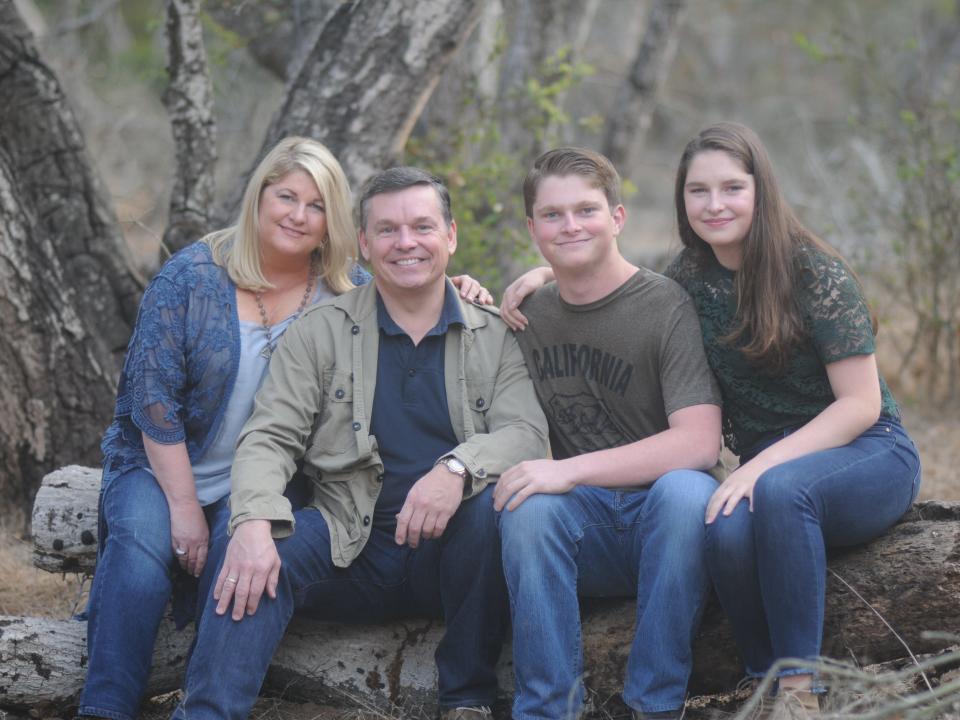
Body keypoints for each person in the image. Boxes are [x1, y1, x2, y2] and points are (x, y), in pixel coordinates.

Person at [79, 138, 490, 720]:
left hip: (267, 481)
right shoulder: (194, 276)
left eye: (316, 205)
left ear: (334, 222)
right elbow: (153, 400)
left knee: (243, 560)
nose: (298, 215)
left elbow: (413, 277)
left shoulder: (343, 287)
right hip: (165, 464)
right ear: (259, 198)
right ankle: (105, 708)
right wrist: (184, 506)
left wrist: (465, 288)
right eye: (286, 197)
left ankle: (200, 707)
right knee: (143, 562)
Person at [170, 166, 549, 720]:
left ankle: (466, 700)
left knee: (491, 514)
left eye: (422, 226)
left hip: (455, 557)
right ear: (365, 244)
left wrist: (456, 469)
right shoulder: (320, 331)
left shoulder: (493, 335)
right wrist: (252, 522)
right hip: (349, 541)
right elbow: (270, 437)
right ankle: (205, 711)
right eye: (388, 230)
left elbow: (527, 435)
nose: (406, 243)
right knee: (251, 550)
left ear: (451, 236)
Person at [663, 122, 921, 714]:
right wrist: (549, 274)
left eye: (732, 187)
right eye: (698, 190)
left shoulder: (812, 272)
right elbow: (622, 289)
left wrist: (760, 467)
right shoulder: (687, 277)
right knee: (723, 527)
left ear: (761, 191)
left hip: (867, 450)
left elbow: (861, 404)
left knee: (777, 490)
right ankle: (761, 682)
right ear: (682, 200)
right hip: (772, 470)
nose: (714, 204)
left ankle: (802, 692)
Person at [496, 147, 723, 720]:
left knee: (686, 490)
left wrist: (566, 468)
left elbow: (699, 443)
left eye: (586, 210)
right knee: (528, 507)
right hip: (587, 530)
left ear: (617, 218)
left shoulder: (665, 306)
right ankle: (548, 709)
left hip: (669, 529)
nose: (570, 226)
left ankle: (655, 704)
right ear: (532, 228)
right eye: (552, 215)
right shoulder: (527, 314)